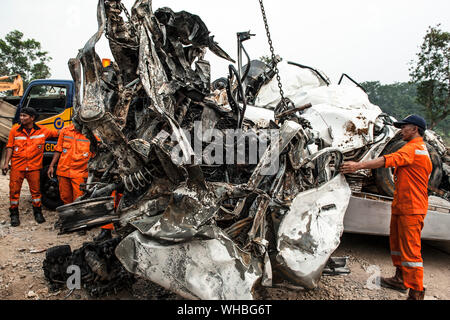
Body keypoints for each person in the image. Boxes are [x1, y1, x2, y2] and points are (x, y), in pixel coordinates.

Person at [340, 114, 432, 300]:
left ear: (414, 129)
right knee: (398, 246)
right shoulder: (414, 148)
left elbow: (386, 160)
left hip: (412, 208)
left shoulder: (414, 149)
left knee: (411, 251)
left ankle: (417, 291)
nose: (401, 130)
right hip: (403, 204)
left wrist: (358, 165)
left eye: (404, 127)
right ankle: (400, 279)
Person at [2, 107, 59, 226]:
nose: (21, 118)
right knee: (14, 191)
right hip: (18, 167)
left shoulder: (43, 131)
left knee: (36, 192)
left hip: (34, 167)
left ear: (32, 118)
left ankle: (37, 212)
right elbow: (10, 147)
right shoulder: (15, 130)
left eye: (24, 116)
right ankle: (14, 214)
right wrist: (6, 163)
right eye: (21, 115)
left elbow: (59, 133)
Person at [47, 122, 93, 206]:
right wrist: (51, 165)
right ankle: (67, 217)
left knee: (79, 199)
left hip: (80, 174)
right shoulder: (65, 131)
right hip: (63, 171)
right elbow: (58, 149)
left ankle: (77, 218)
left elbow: (96, 153)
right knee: (65, 198)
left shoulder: (92, 134)